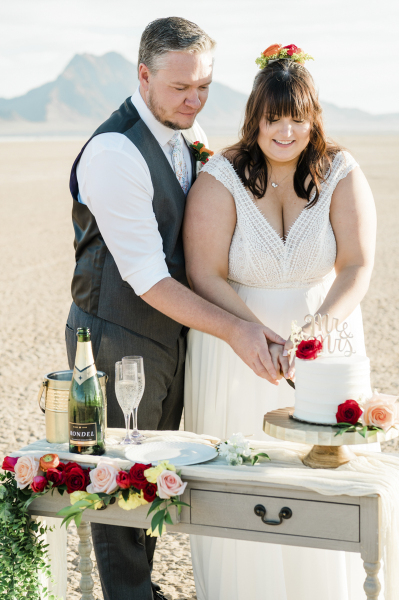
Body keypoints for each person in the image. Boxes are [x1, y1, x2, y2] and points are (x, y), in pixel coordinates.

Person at [65, 19, 284, 600]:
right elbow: (148, 278)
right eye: (180, 87)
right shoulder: (114, 151)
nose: (194, 99)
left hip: (172, 338)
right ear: (143, 74)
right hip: (114, 338)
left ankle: (144, 588)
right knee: (115, 483)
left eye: (205, 86)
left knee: (154, 479)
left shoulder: (189, 130)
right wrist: (239, 329)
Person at [183, 47, 376, 600]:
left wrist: (319, 328)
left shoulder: (340, 171)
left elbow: (359, 264)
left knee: (320, 479)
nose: (285, 130)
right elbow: (206, 273)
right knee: (245, 481)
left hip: (325, 345)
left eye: (297, 117)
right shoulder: (220, 176)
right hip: (235, 349)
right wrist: (257, 335)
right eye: (273, 119)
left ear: (313, 117)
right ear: (256, 119)